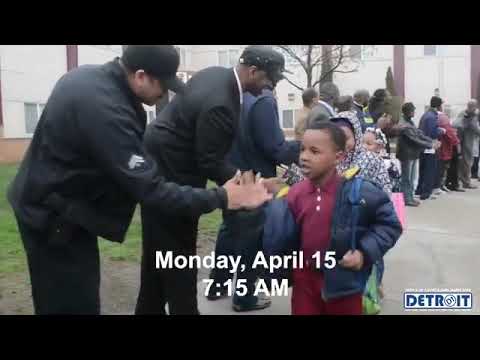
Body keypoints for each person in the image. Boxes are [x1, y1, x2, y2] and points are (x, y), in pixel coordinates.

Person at [6, 45, 271, 315]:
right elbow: (150, 189)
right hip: (52, 216)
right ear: (141, 75)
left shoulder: (92, 79)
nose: (164, 93)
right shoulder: (107, 110)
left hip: (61, 203)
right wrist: (224, 197)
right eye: (162, 84)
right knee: (73, 303)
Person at [136, 45, 286, 315]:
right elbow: (210, 161)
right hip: (174, 173)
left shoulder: (215, 74)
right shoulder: (222, 103)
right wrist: (250, 187)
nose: (270, 86)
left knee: (157, 255)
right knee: (178, 257)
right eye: (269, 80)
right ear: (253, 71)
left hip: (159, 163)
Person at [284, 121, 402, 315]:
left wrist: (363, 253)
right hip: (304, 282)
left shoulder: (358, 192)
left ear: (338, 157)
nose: (304, 157)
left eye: (314, 151)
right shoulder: (294, 194)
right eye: (302, 149)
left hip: (344, 285)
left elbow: (390, 226)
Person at [208, 85, 300, 311]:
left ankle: (217, 285)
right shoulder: (264, 100)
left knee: (229, 232)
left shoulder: (236, 96)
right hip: (255, 179)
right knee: (251, 239)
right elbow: (275, 148)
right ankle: (245, 297)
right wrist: (304, 146)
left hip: (232, 175)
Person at [396, 102, 434, 206]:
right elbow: (414, 139)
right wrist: (430, 145)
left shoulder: (410, 122)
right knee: (407, 179)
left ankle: (410, 197)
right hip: (406, 154)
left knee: (411, 178)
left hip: (412, 153)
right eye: (413, 110)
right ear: (408, 111)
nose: (414, 112)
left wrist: (431, 141)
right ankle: (407, 199)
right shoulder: (404, 124)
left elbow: (419, 134)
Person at [416, 96, 446, 200]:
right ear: (438, 105)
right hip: (430, 146)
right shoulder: (432, 117)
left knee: (423, 169)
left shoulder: (426, 115)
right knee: (430, 170)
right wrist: (442, 131)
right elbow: (433, 132)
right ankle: (426, 193)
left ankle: (420, 191)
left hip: (423, 146)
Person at [455, 100, 480, 190]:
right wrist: (466, 121)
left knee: (467, 161)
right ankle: (465, 181)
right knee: (465, 162)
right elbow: (456, 125)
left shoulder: (475, 114)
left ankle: (465, 181)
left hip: (469, 140)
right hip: (463, 141)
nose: (474, 109)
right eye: (472, 106)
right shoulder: (464, 114)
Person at [435, 111, 460, 194]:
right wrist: (456, 141)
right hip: (445, 149)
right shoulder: (444, 123)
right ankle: (440, 185)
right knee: (443, 168)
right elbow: (451, 137)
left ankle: (441, 185)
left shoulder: (440, 122)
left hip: (443, 148)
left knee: (443, 168)